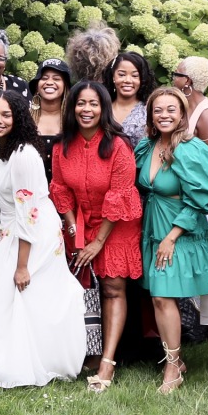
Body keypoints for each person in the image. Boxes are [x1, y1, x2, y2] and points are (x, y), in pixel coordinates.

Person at [0, 88, 86, 388]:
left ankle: (32, 361)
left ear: (18, 118)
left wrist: (22, 265)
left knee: (23, 292)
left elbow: (28, 214)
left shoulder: (23, 155)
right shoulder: (0, 149)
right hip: (12, 229)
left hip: (32, 234)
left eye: (6, 114)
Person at [50, 80, 143, 392]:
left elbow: (120, 195)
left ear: (103, 108)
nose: (86, 110)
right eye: (80, 103)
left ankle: (107, 361)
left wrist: (97, 242)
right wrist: (74, 233)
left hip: (115, 225)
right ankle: (83, 351)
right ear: (72, 107)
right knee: (79, 288)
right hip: (79, 223)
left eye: (93, 104)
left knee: (112, 288)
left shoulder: (118, 146)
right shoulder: (62, 146)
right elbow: (60, 190)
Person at [135, 86, 208, 393]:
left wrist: (171, 237)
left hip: (179, 230)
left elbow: (200, 198)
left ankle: (173, 365)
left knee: (162, 296)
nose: (164, 115)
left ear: (183, 114)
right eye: (158, 110)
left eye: (171, 109)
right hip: (153, 226)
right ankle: (174, 358)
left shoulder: (191, 148)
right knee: (160, 297)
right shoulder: (148, 146)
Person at [171, 56, 208, 165]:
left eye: (176, 74)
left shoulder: (207, 115)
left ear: (187, 80)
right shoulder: (182, 106)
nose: (173, 79)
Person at [29, 57, 70, 175]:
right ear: (37, 85)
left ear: (65, 86)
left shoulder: (73, 119)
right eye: (44, 78)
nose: (50, 82)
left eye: (56, 78)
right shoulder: (25, 119)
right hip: (29, 189)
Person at [106, 50, 154, 144]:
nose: (128, 80)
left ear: (142, 79)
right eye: (122, 75)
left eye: (135, 76)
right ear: (113, 77)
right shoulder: (101, 107)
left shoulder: (149, 110)